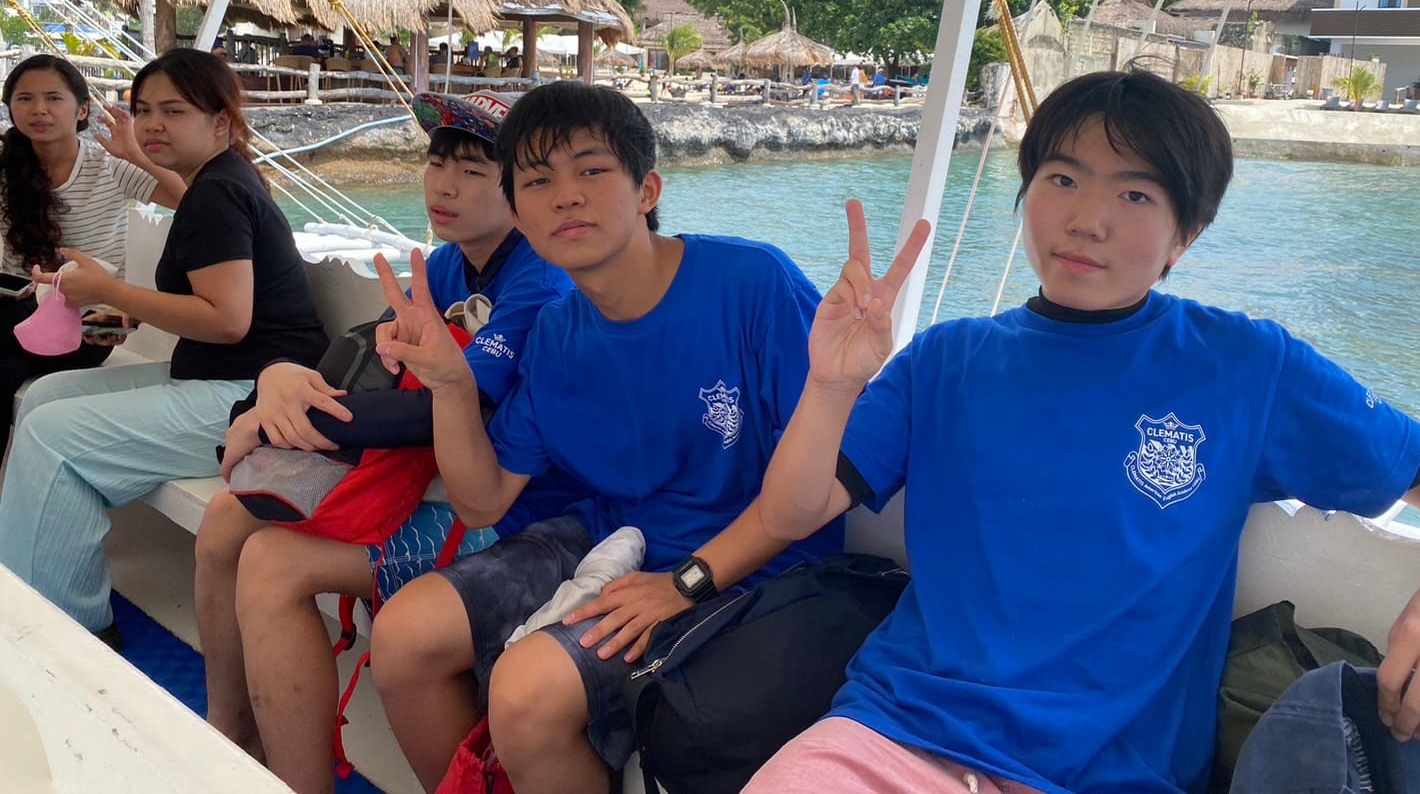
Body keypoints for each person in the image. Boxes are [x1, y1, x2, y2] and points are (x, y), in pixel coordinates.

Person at [747, 69, 1420, 794]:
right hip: (896, 734)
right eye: (1062, 179)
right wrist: (831, 384)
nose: (1086, 219)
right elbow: (790, 512)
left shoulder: (1245, 366)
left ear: (1184, 237)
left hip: (1116, 772)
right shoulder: (945, 359)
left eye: (1134, 195)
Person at [367, 81, 844, 793]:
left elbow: (829, 476)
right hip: (617, 539)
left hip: (756, 564)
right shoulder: (558, 332)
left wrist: (685, 583)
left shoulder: (752, 285)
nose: (566, 196)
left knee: (526, 692)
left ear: (647, 189)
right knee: (404, 636)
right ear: (519, 215)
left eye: (591, 170)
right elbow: (482, 500)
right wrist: (451, 385)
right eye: (537, 181)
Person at [192, 90, 581, 793]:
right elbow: (364, 367)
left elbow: (449, 407)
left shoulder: (540, 282)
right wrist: (267, 394)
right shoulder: (448, 267)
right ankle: (230, 730)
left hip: (509, 513)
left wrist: (290, 419)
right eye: (437, 162)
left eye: (473, 169)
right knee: (227, 516)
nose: (445, 184)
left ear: (523, 189)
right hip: (427, 481)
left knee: (273, 563)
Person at [0, 48, 328, 642]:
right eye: (144, 109)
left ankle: (72, 634)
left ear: (220, 123)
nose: (152, 124)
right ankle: (32, 585)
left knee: (53, 436)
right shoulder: (218, 181)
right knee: (45, 397)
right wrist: (121, 297)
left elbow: (228, 320)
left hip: (257, 396)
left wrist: (107, 290)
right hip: (224, 375)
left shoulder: (217, 194)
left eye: (173, 111)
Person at [0, 55, 186, 450]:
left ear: (82, 109)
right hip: (16, 310)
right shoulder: (5, 168)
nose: (39, 109)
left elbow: (191, 201)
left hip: (90, 324)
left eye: (54, 98)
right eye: (25, 99)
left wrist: (137, 155)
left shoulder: (109, 166)